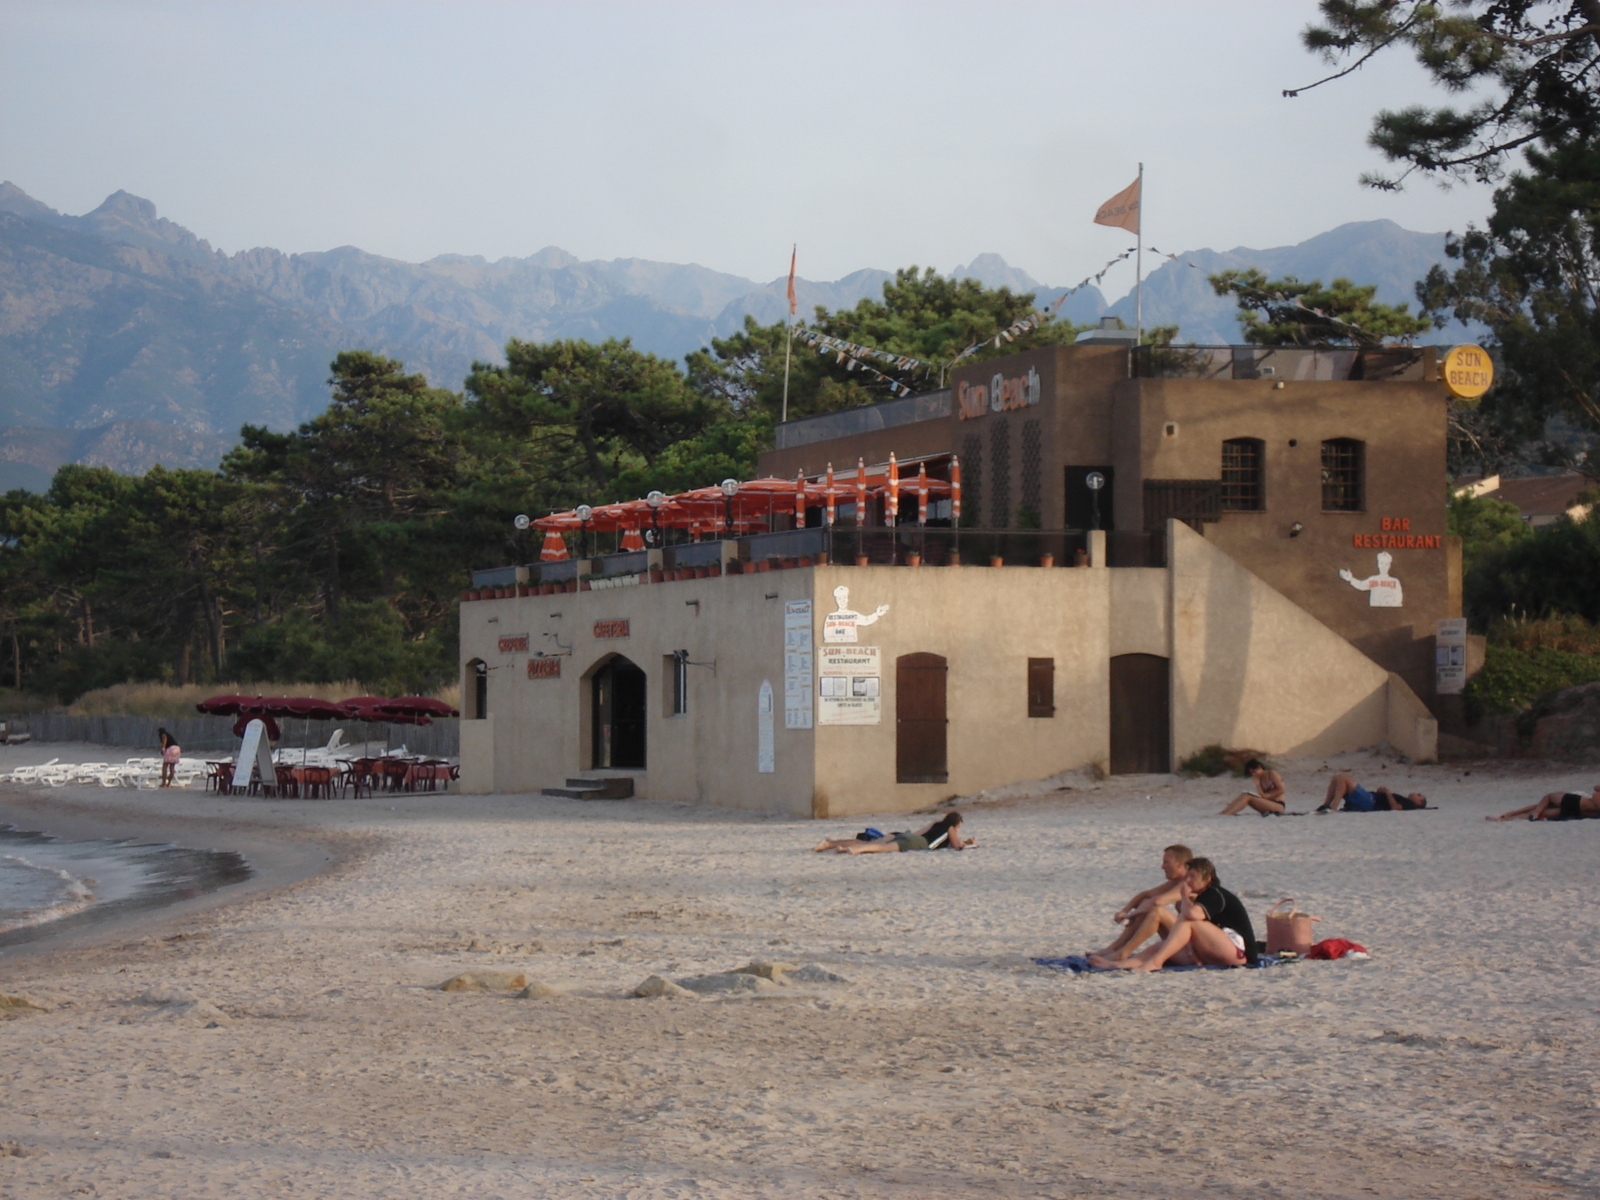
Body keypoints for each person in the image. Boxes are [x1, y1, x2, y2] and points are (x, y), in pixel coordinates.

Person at [1105, 857, 1258, 972]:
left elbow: (1192, 915)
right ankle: (1119, 964)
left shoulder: (1215, 893)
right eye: (1187, 877)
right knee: (1162, 944)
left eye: (1193, 877)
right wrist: (1132, 912)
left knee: (1188, 921)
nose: (1188, 881)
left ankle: (1156, 962)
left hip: (1240, 954)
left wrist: (1185, 897)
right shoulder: (1198, 894)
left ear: (1207, 878)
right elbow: (1151, 898)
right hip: (1213, 950)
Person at [1088, 844, 1193, 966]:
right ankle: (1115, 948)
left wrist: (1133, 914)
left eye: (1166, 862)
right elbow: (1146, 895)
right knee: (1147, 906)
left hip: (1194, 943)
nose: (1162, 867)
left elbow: (1158, 901)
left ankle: (1123, 952)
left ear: (1180, 864)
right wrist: (1125, 910)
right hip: (1183, 936)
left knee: (1156, 911)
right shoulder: (1176, 882)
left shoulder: (1189, 882)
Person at [813, 811, 974, 854]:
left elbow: (919, 831)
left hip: (910, 835)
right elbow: (956, 845)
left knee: (868, 842)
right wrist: (967, 843)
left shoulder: (936, 823)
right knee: (878, 848)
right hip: (918, 843)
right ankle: (853, 850)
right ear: (956, 824)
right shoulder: (951, 828)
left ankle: (831, 843)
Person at [1316, 773, 1429, 812]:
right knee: (1336, 779)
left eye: (1419, 796)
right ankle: (1326, 805)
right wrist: (1383, 793)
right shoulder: (1406, 800)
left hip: (1370, 802)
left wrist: (1388, 793)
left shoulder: (1410, 804)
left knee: (1343, 777)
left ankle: (1333, 807)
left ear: (1419, 803)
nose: (1415, 794)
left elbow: (1395, 807)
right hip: (1370, 798)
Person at [1488, 784, 1600, 822]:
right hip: (1575, 812)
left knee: (1548, 798)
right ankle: (1505, 818)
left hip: (1575, 802)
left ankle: (1510, 814)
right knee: (1543, 810)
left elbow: (1595, 790)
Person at [1220, 759, 1286, 815]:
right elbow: (1262, 795)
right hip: (1267, 803)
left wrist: (1268, 796)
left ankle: (1228, 813)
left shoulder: (1271, 773)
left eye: (1254, 772)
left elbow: (1281, 790)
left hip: (1278, 805)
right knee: (1245, 794)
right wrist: (1258, 785)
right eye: (1251, 773)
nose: (1253, 774)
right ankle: (1224, 812)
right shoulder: (1259, 779)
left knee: (1248, 796)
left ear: (1260, 768)